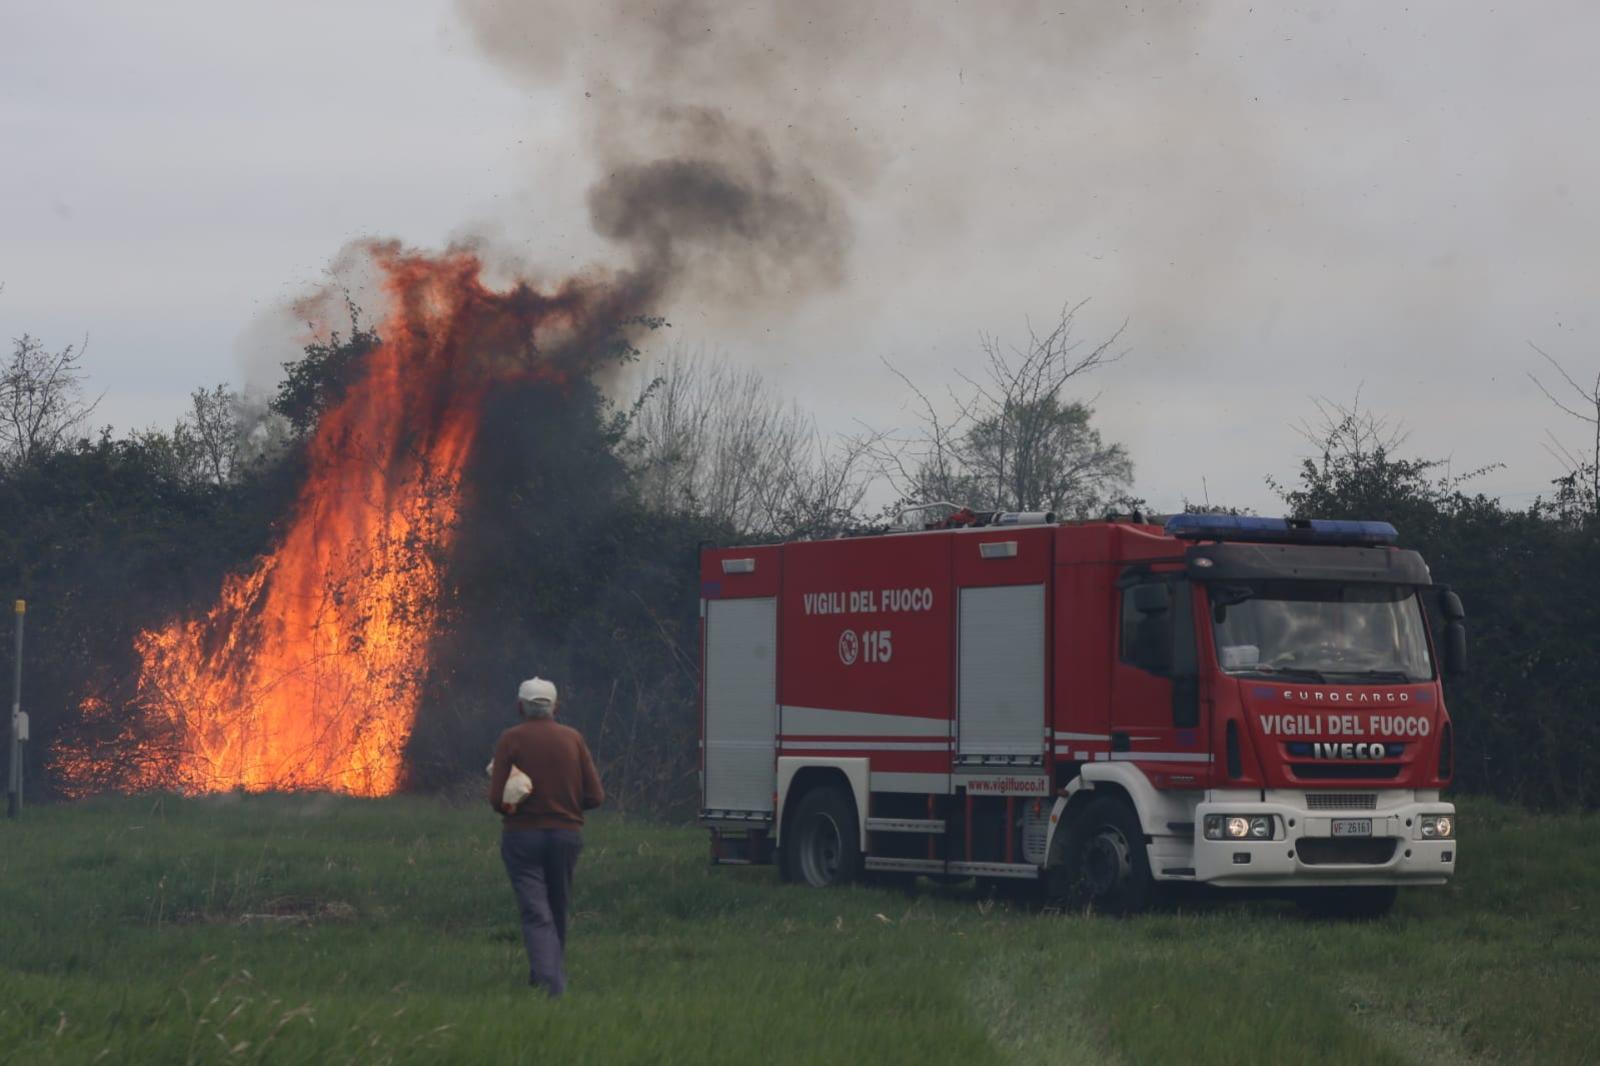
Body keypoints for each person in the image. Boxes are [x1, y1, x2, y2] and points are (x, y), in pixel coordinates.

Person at [489, 676, 605, 998]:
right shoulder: (574, 739)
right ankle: (545, 975)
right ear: (555, 707)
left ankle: (550, 986)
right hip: (566, 836)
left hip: (522, 838)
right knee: (556, 908)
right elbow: (595, 796)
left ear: (520, 707)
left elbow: (497, 800)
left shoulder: (510, 739)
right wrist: (566, 807)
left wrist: (518, 805)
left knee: (535, 912)